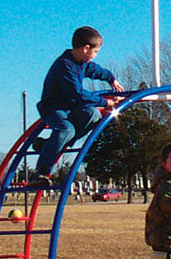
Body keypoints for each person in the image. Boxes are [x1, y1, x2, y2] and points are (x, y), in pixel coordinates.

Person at [28, 26, 124, 185]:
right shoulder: (65, 66)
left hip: (71, 108)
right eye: (96, 52)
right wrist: (105, 102)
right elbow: (77, 93)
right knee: (66, 129)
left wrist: (111, 79)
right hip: (54, 108)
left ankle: (48, 145)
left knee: (93, 114)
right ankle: (41, 172)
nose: (95, 56)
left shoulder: (83, 63)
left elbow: (98, 71)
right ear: (86, 48)